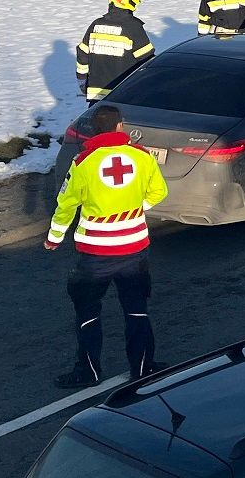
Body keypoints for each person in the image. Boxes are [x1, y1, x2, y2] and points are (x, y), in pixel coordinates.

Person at [46, 103, 166, 388]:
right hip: (134, 249)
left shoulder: (83, 163)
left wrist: (54, 237)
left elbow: (66, 205)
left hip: (95, 253)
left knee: (88, 312)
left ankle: (89, 372)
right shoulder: (142, 156)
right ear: (120, 126)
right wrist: (135, 208)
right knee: (136, 310)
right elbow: (159, 192)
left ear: (93, 130)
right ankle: (142, 367)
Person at [75, 0, 154, 100]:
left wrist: (82, 80)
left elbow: (82, 54)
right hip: (124, 93)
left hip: (97, 94)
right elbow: (147, 60)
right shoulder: (133, 26)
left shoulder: (96, 24)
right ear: (131, 3)